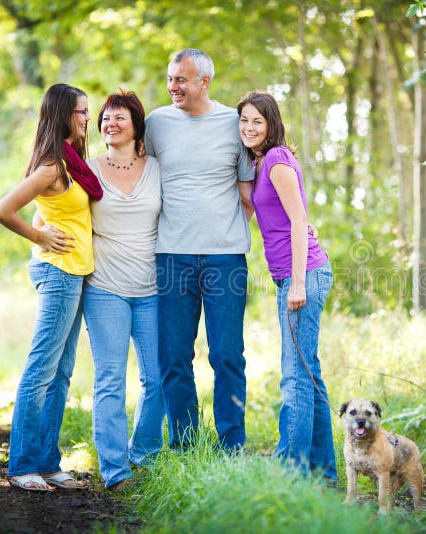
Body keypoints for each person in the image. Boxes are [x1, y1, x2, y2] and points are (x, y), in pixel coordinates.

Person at [0, 83, 102, 492]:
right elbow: (2, 210)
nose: (87, 118)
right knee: (41, 370)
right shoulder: (52, 167)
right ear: (63, 116)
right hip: (57, 272)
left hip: (76, 272)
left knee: (61, 373)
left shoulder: (75, 163)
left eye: (88, 111)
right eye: (81, 112)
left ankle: (47, 462)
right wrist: (40, 237)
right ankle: (22, 465)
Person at [144, 48, 254, 451]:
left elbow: (249, 193)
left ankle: (231, 446)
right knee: (173, 357)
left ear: (204, 81)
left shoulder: (232, 122)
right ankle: (186, 446)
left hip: (225, 257)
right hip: (171, 255)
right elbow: (139, 176)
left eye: (181, 80)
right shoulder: (156, 123)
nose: (173, 86)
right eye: (170, 78)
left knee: (227, 355)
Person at [236, 91, 337, 482]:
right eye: (244, 120)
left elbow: (298, 220)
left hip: (303, 276)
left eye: (257, 121)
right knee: (308, 372)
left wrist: (296, 284)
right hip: (296, 274)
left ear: (271, 123)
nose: (249, 127)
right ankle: (324, 472)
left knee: (295, 375)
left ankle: (290, 473)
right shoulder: (262, 162)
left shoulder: (276, 159)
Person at [79, 89, 166, 491]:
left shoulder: (157, 169)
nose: (110, 124)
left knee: (159, 377)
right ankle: (115, 470)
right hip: (105, 289)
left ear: (136, 127)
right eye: (105, 119)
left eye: (119, 118)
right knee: (110, 380)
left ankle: (142, 453)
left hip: (152, 289)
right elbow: (55, 207)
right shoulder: (87, 168)